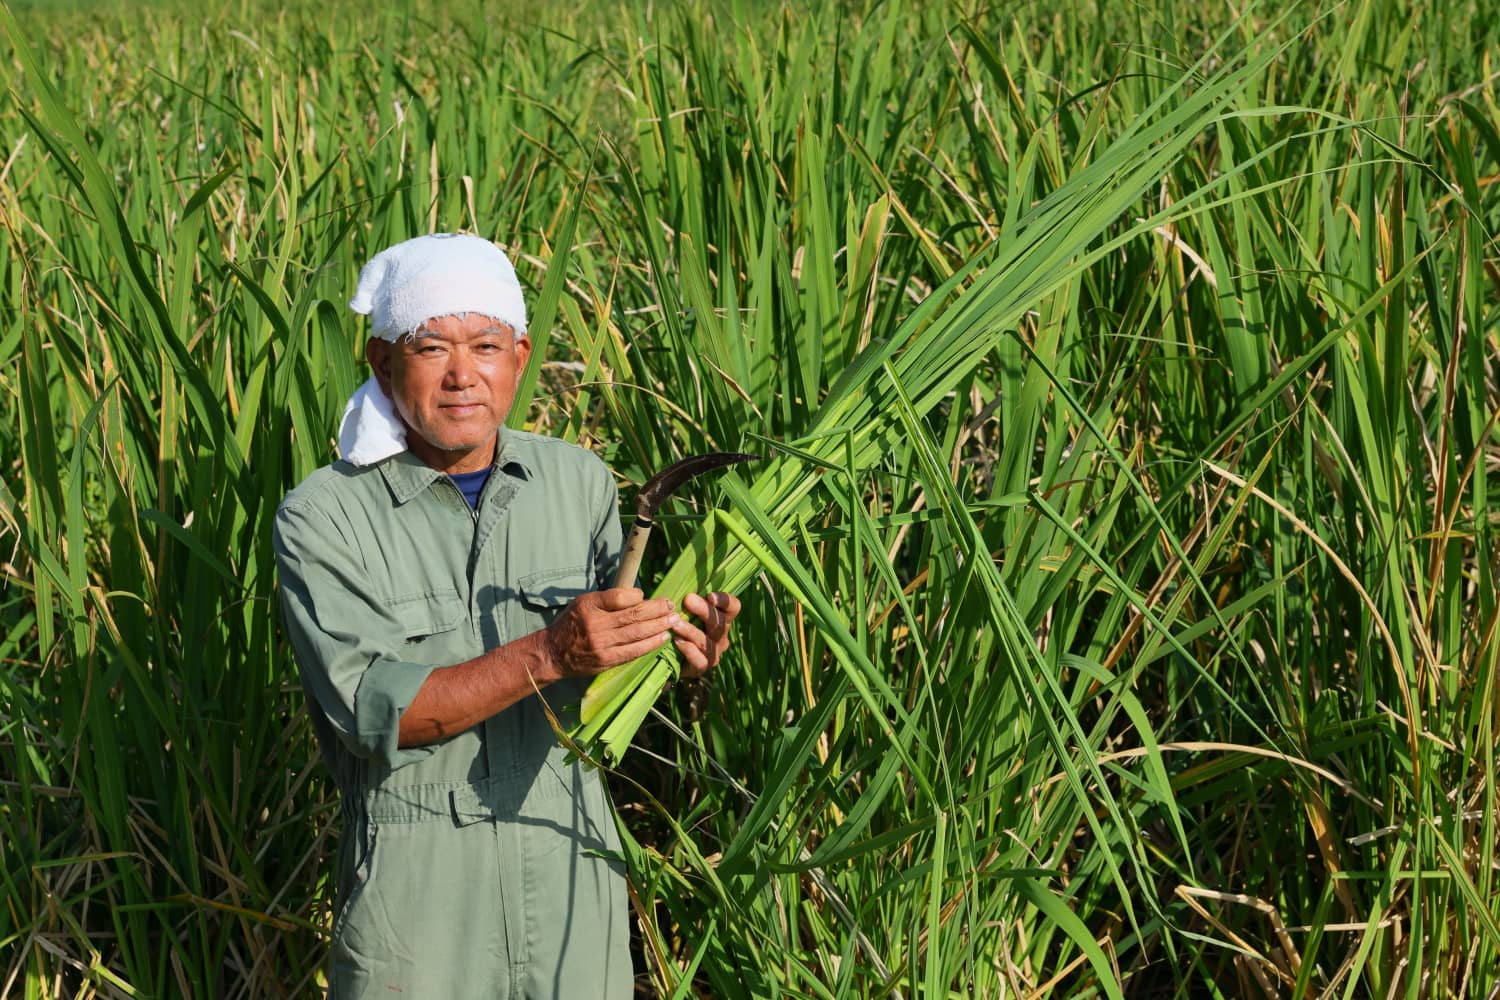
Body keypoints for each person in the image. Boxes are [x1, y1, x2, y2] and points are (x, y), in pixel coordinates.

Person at [273, 233, 739, 998]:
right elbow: (370, 713)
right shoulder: (322, 518)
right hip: (416, 887)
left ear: (519, 359)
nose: (463, 375)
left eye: (486, 346)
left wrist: (675, 648)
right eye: (432, 349)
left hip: (569, 865)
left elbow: (602, 689)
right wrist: (551, 651)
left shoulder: (577, 482)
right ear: (384, 363)